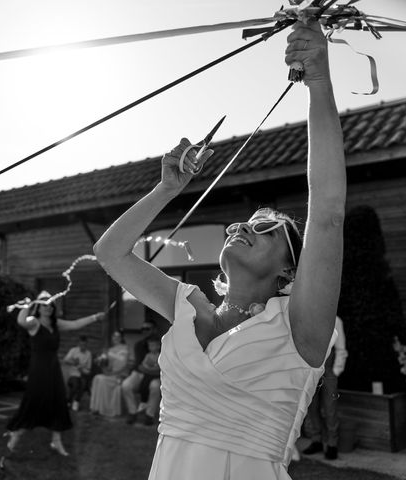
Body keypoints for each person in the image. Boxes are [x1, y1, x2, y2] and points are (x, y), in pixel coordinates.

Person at [94, 20, 346, 479]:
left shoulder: (301, 327)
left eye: (265, 227)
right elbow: (110, 252)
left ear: (291, 271)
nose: (241, 228)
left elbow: (327, 212)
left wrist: (319, 82)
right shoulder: (187, 306)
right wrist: (167, 189)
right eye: (243, 222)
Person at [5, 291, 105, 456]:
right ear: (38, 307)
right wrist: (25, 306)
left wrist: (95, 317)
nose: (48, 308)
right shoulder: (34, 323)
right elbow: (21, 321)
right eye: (44, 305)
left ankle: (56, 441)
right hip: (39, 369)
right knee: (35, 401)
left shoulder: (55, 324)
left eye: (50, 305)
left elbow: (75, 324)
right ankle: (16, 436)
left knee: (58, 401)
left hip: (53, 368)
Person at [303, 316, 347, 459]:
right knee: (312, 406)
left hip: (329, 371)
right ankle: (316, 440)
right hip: (310, 369)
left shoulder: (336, 320)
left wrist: (336, 371)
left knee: (330, 408)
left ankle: (332, 444)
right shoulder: (308, 316)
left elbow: (340, 349)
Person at [89, 330, 129, 417]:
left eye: (118, 336)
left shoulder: (124, 348)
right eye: (114, 336)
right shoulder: (110, 349)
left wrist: (113, 373)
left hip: (120, 375)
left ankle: (106, 409)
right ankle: (97, 408)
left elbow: (123, 364)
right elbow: (110, 367)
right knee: (97, 378)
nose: (116, 338)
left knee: (102, 380)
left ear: (121, 338)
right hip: (112, 374)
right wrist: (101, 364)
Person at [62, 335, 92, 412]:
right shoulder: (73, 350)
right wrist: (74, 362)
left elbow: (88, 369)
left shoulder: (88, 354)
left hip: (83, 374)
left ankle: (76, 401)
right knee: (75, 385)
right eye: (81, 344)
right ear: (78, 344)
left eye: (84, 345)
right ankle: (68, 401)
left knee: (83, 383)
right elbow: (65, 360)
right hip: (73, 374)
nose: (83, 346)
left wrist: (82, 369)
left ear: (87, 344)